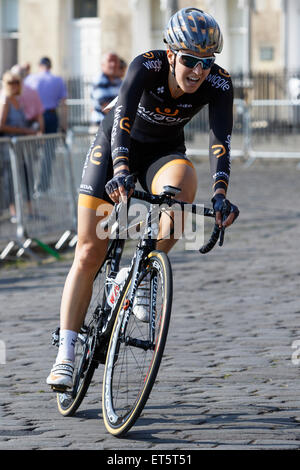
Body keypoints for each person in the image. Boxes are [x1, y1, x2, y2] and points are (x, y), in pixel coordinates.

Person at [47, 7, 239, 389]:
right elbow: (121, 121)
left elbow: (221, 140)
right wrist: (120, 171)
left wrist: (221, 194)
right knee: (89, 250)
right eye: (189, 61)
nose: (198, 71)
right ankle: (66, 351)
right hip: (116, 145)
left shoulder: (218, 83)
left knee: (185, 186)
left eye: (206, 62)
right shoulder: (146, 66)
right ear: (171, 55)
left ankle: (139, 273)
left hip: (162, 153)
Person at [0, 70, 40, 221]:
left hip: (21, 146)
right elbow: (1, 125)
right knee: (11, 179)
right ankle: (13, 212)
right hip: (9, 147)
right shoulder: (5, 100)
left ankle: (29, 209)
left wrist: (33, 126)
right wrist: (24, 130)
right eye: (11, 82)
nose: (15, 85)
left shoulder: (18, 100)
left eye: (17, 82)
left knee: (26, 175)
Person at [24, 57, 67, 133]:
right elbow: (63, 104)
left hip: (35, 116)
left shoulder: (30, 78)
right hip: (51, 115)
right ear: (50, 66)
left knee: (35, 143)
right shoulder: (58, 80)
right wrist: (64, 124)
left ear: (39, 66)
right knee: (50, 143)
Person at [11, 64, 44, 133]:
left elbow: (39, 114)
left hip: (18, 130)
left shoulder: (10, 94)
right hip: (28, 130)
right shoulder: (33, 91)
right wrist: (41, 131)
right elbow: (39, 115)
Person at [90, 52, 122, 125]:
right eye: (110, 61)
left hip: (114, 123)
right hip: (101, 125)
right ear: (102, 64)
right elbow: (106, 107)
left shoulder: (118, 80)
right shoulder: (99, 80)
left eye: (115, 61)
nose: (113, 64)